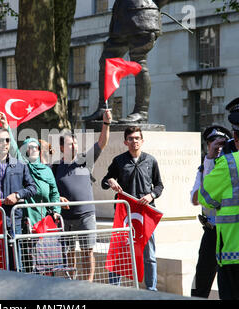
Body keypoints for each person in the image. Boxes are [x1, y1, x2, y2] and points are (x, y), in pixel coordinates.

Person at [198, 111, 239, 300]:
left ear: (234, 137)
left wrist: (210, 159)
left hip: (234, 250)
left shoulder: (228, 163)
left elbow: (205, 198)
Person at [83, 0, 182, 123]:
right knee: (107, 61)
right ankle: (104, 108)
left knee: (138, 61)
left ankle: (141, 112)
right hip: (121, 20)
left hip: (144, 17)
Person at [101, 126, 164, 290]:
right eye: (130, 138)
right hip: (124, 213)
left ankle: (151, 289)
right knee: (119, 251)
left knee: (149, 253)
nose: (134, 141)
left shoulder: (151, 160)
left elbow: (159, 186)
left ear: (142, 141)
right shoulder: (119, 161)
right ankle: (115, 288)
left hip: (145, 213)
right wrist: (110, 181)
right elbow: (105, 180)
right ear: (125, 142)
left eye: (137, 138)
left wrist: (151, 196)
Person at [53, 109, 112, 282]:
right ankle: (72, 281)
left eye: (76, 144)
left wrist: (106, 123)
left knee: (88, 251)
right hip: (66, 218)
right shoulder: (55, 167)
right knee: (70, 252)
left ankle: (89, 283)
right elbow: (50, 190)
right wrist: (57, 199)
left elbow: (102, 142)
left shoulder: (85, 160)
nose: (75, 147)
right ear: (62, 147)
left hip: (86, 215)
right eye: (71, 144)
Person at [0, 127, 37, 270]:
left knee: (14, 258)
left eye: (8, 140)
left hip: (12, 218)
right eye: (0, 140)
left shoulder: (19, 164)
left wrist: (17, 195)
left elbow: (32, 188)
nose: (5, 143)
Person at [189, 125, 232, 298]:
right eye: (212, 143)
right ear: (207, 146)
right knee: (202, 278)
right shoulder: (203, 168)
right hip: (211, 229)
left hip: (229, 230)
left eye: (221, 144)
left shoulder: (231, 168)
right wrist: (209, 162)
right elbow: (195, 199)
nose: (217, 147)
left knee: (228, 279)